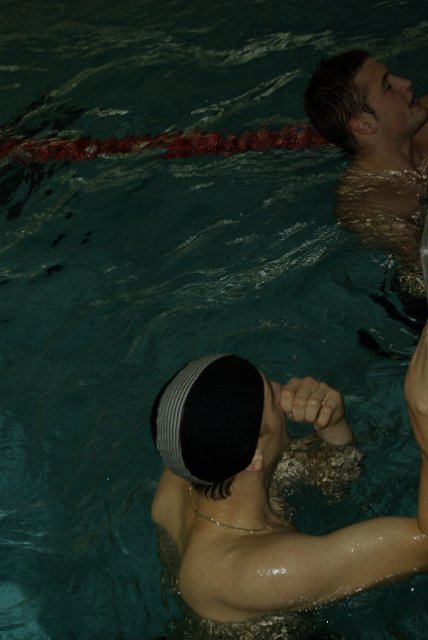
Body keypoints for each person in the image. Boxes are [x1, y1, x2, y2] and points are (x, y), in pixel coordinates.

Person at [150, 328, 428, 639]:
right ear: (255, 457)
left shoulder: (192, 467)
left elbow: (335, 484)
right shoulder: (256, 573)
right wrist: (423, 418)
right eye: (270, 396)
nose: (281, 389)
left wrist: (331, 423)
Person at [304, 50, 428, 301]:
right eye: (387, 86)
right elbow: (419, 275)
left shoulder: (422, 122)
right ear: (364, 124)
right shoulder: (369, 204)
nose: (405, 83)